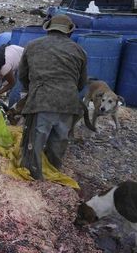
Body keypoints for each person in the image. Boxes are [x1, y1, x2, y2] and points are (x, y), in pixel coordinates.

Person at [18, 14, 87, 180]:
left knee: (34, 145)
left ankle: (34, 178)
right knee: (59, 142)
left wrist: (32, 90)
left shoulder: (33, 46)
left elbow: (23, 75)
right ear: (69, 32)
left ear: (48, 29)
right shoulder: (79, 51)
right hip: (68, 103)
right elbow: (81, 83)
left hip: (41, 101)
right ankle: (53, 173)